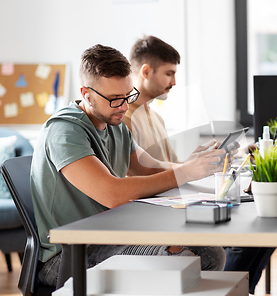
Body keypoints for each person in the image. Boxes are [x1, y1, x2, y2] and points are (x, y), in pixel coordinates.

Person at [31, 44, 228, 287]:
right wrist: (183, 173)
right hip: (70, 254)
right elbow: (113, 194)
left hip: (110, 234)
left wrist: (192, 165)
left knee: (212, 253)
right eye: (115, 99)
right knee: (176, 259)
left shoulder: (115, 123)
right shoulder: (64, 131)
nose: (124, 107)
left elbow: (145, 168)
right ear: (86, 93)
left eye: (128, 96)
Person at [124, 35, 272, 295]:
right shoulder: (124, 119)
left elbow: (167, 168)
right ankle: (228, 289)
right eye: (169, 73)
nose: (174, 82)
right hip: (152, 213)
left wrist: (196, 161)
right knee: (251, 234)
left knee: (265, 228)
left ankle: (238, 289)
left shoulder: (154, 117)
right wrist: (187, 168)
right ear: (146, 71)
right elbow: (137, 175)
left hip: (170, 201)